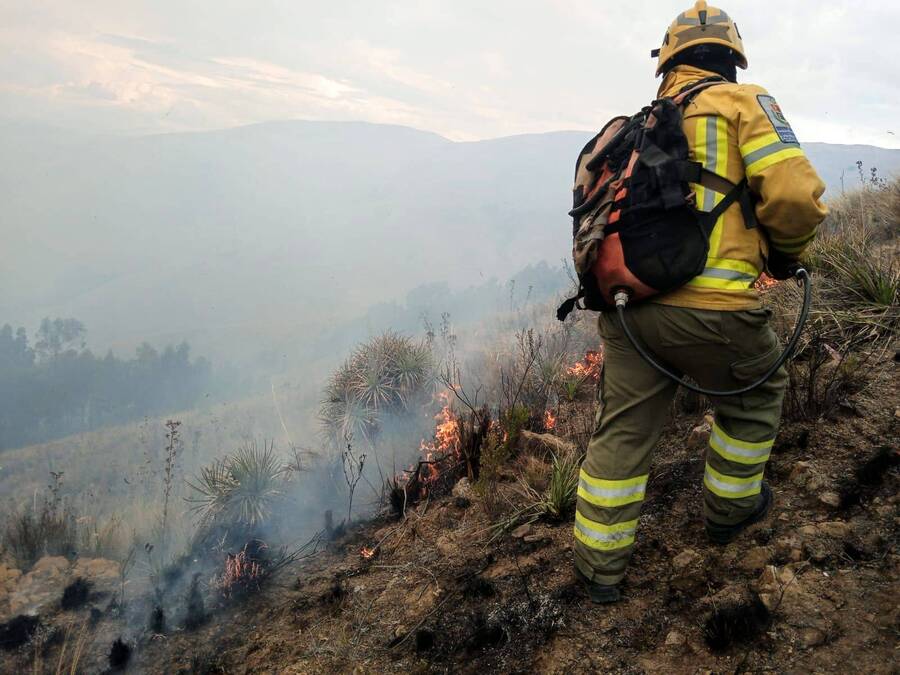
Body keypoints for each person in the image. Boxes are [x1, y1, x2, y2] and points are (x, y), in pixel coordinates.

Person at [573, 0, 828, 604]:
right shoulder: (745, 103)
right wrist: (786, 255)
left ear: (668, 62)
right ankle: (730, 511)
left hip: (627, 309)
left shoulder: (638, 123)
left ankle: (598, 571)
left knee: (624, 430)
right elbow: (794, 198)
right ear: (732, 59)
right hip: (717, 312)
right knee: (756, 395)